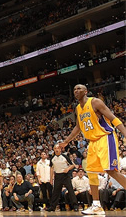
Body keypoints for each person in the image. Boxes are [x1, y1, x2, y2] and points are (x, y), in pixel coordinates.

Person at [60, 84, 126, 215]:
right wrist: (66, 141)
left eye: (79, 89)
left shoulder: (95, 102)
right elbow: (78, 127)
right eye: (74, 89)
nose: (76, 91)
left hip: (105, 137)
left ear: (86, 91)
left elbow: (113, 118)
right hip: (93, 142)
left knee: (110, 170)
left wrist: (125, 133)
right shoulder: (78, 108)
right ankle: (96, 205)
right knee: (90, 172)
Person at [47, 143, 78, 212]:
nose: (56, 149)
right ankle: (52, 207)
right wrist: (51, 178)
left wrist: (68, 169)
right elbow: (51, 168)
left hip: (65, 176)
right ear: (54, 150)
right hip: (57, 176)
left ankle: (75, 206)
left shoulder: (64, 156)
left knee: (70, 191)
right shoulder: (52, 158)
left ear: (60, 149)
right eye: (55, 148)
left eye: (58, 148)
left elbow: (72, 165)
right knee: (55, 192)